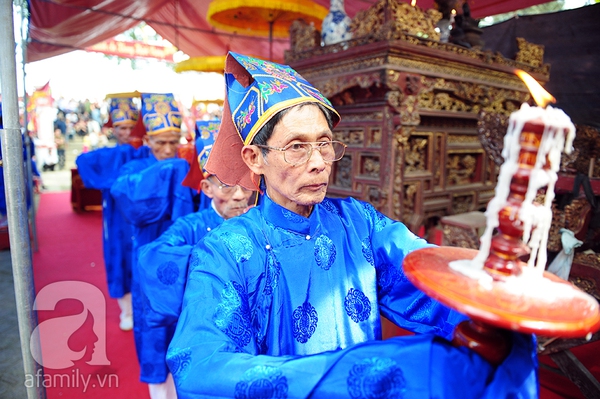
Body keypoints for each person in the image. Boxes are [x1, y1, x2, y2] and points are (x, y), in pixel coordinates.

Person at [166, 52, 538, 398]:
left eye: (325, 143)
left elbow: (425, 268)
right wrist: (359, 373)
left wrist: (488, 297)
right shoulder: (225, 250)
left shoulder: (358, 222)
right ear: (255, 158)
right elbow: (201, 365)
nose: (318, 162)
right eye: (296, 146)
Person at [110, 92, 199, 399]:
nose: (167, 149)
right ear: (147, 139)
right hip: (149, 257)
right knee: (153, 323)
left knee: (184, 323)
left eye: (174, 142)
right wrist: (166, 173)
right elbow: (126, 196)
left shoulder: (187, 165)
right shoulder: (134, 169)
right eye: (160, 142)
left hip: (184, 258)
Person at [137, 119, 254, 336]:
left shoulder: (258, 220)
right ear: (207, 189)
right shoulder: (190, 226)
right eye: (227, 186)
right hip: (206, 327)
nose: (239, 195)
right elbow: (153, 255)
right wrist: (212, 256)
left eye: (245, 184)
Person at [75, 96, 150, 331]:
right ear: (113, 128)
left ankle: (146, 306)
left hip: (144, 215)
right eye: (121, 127)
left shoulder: (148, 152)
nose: (126, 132)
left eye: (130, 127)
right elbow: (83, 162)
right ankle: (126, 310)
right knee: (119, 257)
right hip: (118, 216)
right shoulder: (110, 155)